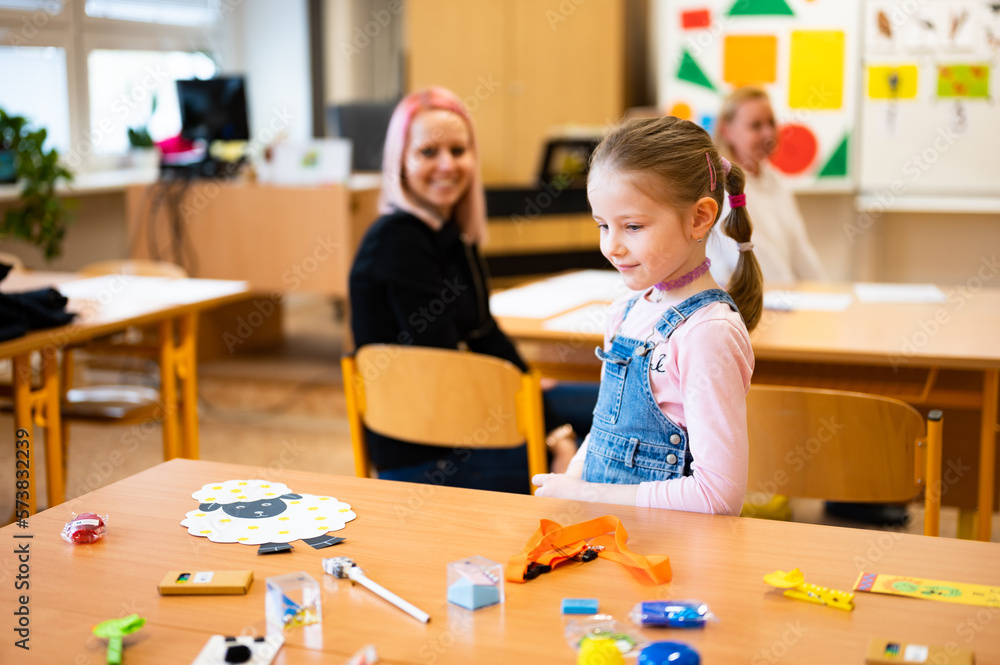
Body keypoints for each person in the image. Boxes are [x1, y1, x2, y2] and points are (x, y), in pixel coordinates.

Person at [348, 87, 594, 493]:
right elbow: (452, 371)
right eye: (428, 152)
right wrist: (556, 435)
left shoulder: (448, 235)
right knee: (623, 445)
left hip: (457, 414)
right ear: (402, 162)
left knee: (627, 406)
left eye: (458, 151)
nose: (447, 165)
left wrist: (526, 378)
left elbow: (483, 331)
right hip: (429, 451)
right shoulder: (397, 243)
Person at [531, 116, 762, 515]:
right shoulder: (625, 310)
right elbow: (605, 427)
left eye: (633, 226)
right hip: (612, 533)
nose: (612, 247)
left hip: (668, 554)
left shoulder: (707, 334)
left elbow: (718, 498)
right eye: (603, 225)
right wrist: (575, 476)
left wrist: (590, 495)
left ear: (699, 218)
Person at [706, 87, 825, 287]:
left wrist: (823, 291)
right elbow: (749, 261)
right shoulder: (722, 188)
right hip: (745, 301)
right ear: (727, 130)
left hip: (783, 298)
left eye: (771, 122)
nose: (768, 133)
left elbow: (799, 250)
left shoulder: (776, 182)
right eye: (756, 126)